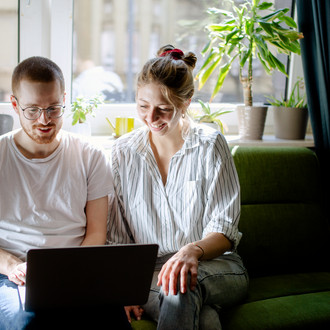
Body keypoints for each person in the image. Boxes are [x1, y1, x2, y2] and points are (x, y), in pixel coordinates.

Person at [108, 45, 249, 329]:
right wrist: (120, 289)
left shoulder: (210, 144)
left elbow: (224, 230)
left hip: (218, 266)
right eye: (143, 106)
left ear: (186, 103)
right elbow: (117, 236)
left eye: (164, 109)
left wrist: (191, 251)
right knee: (206, 321)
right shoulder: (121, 153)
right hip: (150, 275)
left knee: (180, 284)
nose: (151, 118)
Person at [0, 56, 130, 329]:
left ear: (64, 100)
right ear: (15, 105)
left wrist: (71, 273)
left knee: (111, 320)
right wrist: (12, 265)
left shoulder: (90, 155)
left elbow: (96, 233)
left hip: (76, 269)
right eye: (32, 110)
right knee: (28, 322)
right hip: (9, 274)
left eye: (53, 108)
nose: (45, 120)